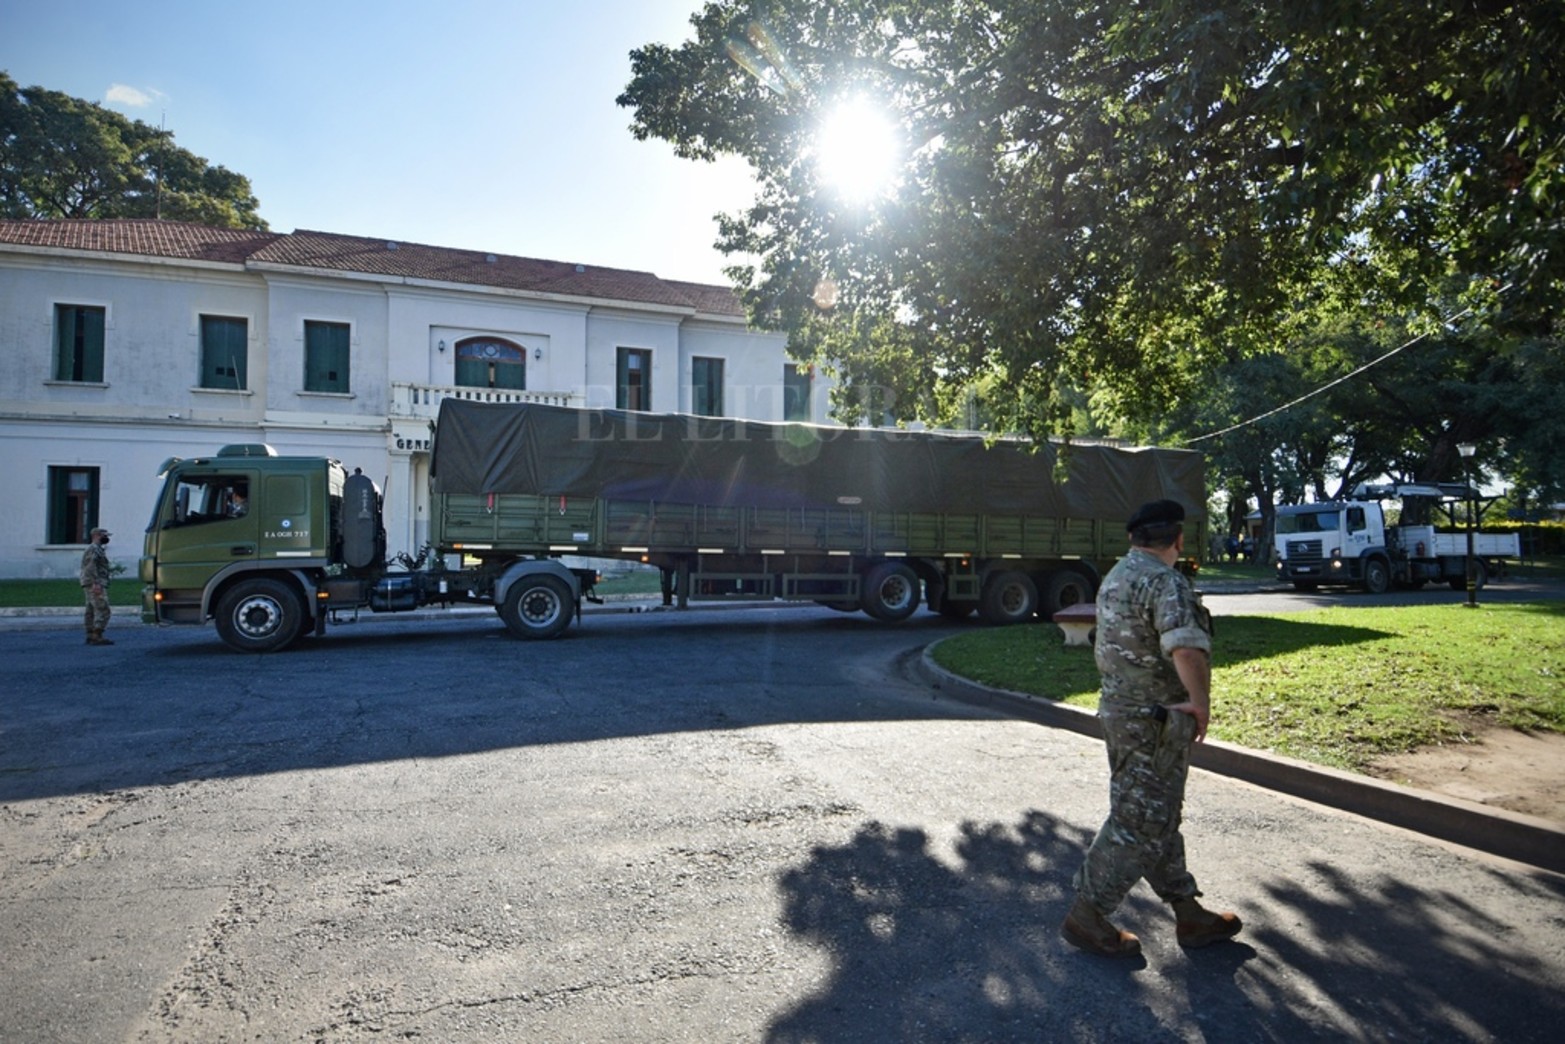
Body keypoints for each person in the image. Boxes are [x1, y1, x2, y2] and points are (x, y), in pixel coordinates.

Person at [1061, 499, 1242, 957]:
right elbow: (1185, 647)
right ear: (1178, 541)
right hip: (1154, 719)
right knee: (1139, 817)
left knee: (1155, 813)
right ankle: (1087, 914)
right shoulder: (1166, 582)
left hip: (1120, 711)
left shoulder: (1117, 575)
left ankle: (1187, 912)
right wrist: (1199, 702)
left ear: (1133, 539)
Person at [79, 526, 114, 646]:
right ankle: (97, 634)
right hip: (94, 582)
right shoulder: (94, 549)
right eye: (104, 536)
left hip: (89, 582)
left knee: (91, 609)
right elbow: (90, 567)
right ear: (96, 536)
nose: (106, 538)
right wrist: (96, 583)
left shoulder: (96, 549)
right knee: (102, 608)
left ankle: (90, 634)